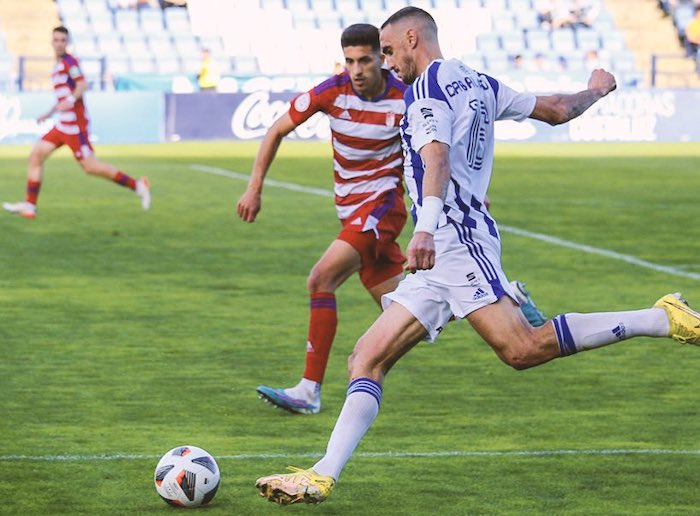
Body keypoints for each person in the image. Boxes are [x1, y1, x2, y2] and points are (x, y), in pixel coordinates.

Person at [255, 7, 700, 505]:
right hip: (445, 249)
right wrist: (595, 90)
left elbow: (437, 158)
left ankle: (661, 318)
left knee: (522, 349)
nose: (386, 62)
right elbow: (555, 109)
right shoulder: (478, 82)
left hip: (453, 241)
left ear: (410, 38)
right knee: (366, 358)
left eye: (386, 51)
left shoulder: (425, 89)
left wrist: (423, 231)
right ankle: (321, 474)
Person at [237, 23, 547, 417]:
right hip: (350, 212)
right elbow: (276, 129)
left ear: (382, 59)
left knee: (321, 279)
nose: (357, 69)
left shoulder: (408, 97)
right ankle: (507, 295)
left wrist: (468, 191)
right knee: (410, 305)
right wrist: (254, 187)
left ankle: (308, 389)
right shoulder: (330, 92)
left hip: (382, 210)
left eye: (366, 59)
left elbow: (439, 147)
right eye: (349, 61)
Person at [3, 26, 150, 220]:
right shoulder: (57, 65)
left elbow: (82, 84)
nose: (59, 43)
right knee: (36, 156)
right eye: (56, 40)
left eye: (63, 40)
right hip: (62, 125)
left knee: (91, 167)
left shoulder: (70, 62)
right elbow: (63, 97)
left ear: (67, 42)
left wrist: (71, 101)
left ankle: (138, 185)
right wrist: (48, 113)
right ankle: (30, 206)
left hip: (75, 127)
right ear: (51, 41)